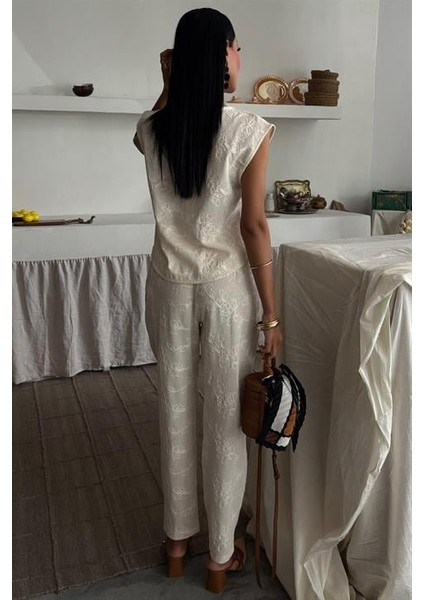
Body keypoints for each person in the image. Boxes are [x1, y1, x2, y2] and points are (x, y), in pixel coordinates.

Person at [133, 7, 282, 594]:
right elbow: (254, 227)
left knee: (173, 409)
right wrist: (271, 313)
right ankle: (220, 558)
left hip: (167, 285)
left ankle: (176, 544)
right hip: (225, 291)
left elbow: (151, 127)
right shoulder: (250, 129)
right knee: (224, 420)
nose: (239, 57)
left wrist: (169, 84)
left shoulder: (152, 127)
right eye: (235, 46)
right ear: (221, 55)